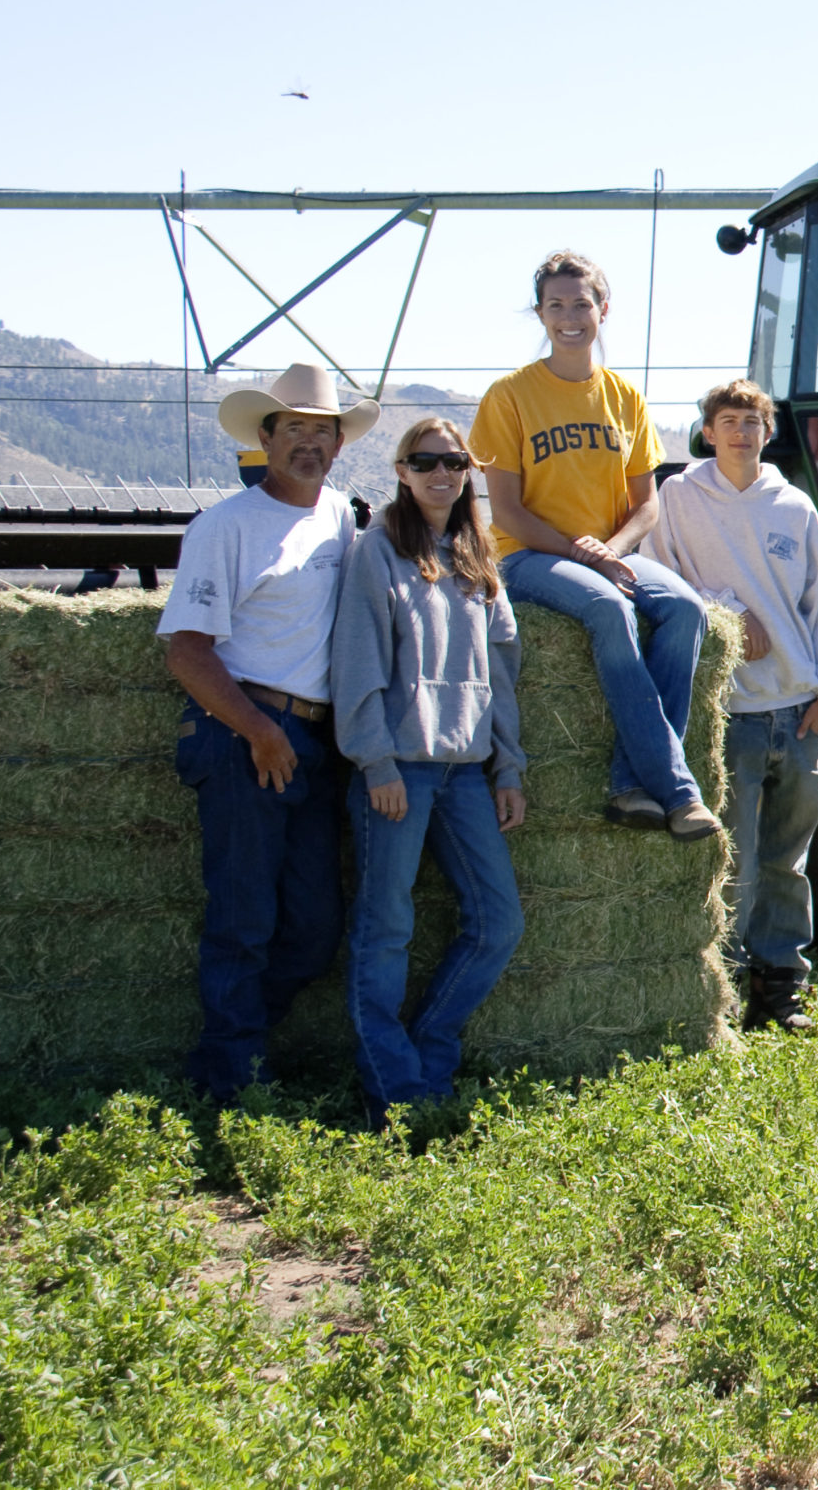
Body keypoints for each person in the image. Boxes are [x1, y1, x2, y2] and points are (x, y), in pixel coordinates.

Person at [158, 362, 378, 1100]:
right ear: (266, 437)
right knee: (243, 917)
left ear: (339, 445)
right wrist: (257, 729)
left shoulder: (340, 516)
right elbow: (187, 651)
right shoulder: (224, 526)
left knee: (315, 927)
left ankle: (239, 1048)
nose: (309, 443)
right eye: (295, 429)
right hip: (242, 733)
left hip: (313, 740)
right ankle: (230, 1080)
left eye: (323, 431)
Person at [468, 250, 720, 841]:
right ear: (539, 314)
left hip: (611, 553)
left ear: (603, 310)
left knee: (686, 610)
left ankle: (630, 784)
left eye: (581, 304)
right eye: (555, 306)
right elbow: (506, 510)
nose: (569, 317)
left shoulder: (625, 397)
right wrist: (584, 555)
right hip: (529, 556)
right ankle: (679, 791)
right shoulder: (509, 396)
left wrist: (613, 550)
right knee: (610, 609)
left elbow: (647, 505)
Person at [643, 379, 818, 1031]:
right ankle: (725, 988)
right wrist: (728, 611)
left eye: (752, 422)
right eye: (729, 421)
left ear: (769, 433)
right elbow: (658, 576)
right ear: (708, 432)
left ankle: (781, 985)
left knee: (787, 859)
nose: (740, 432)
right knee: (732, 858)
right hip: (730, 710)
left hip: (799, 709)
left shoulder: (793, 506)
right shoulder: (679, 497)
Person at [330, 417, 528, 1116]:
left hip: (465, 771)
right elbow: (356, 661)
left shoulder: (477, 554)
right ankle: (395, 1091)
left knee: (498, 922)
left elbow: (501, 672)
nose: (441, 473)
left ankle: (430, 1054)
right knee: (385, 928)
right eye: (424, 461)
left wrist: (508, 767)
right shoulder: (378, 549)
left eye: (453, 461)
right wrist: (375, 761)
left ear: (469, 470)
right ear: (402, 472)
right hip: (399, 771)